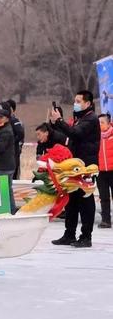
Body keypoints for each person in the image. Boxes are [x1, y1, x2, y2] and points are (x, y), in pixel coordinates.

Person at [50, 90, 101, 247]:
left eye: (78, 101)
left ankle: (86, 237)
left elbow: (75, 134)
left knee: (85, 200)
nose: (76, 103)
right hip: (74, 166)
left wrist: (59, 121)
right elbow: (69, 136)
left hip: (86, 167)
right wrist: (56, 123)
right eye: (75, 101)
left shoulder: (91, 119)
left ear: (87, 103)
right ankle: (69, 234)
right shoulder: (80, 118)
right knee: (71, 200)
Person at [97, 114, 113, 228]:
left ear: (108, 123)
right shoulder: (95, 137)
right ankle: (106, 220)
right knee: (104, 196)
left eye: (102, 122)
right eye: (98, 123)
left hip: (112, 170)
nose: (100, 125)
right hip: (101, 172)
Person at [7, 99, 25, 179]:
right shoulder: (3, 121)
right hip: (5, 155)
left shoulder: (17, 122)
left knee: (15, 176)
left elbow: (21, 137)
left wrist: (16, 146)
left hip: (14, 153)